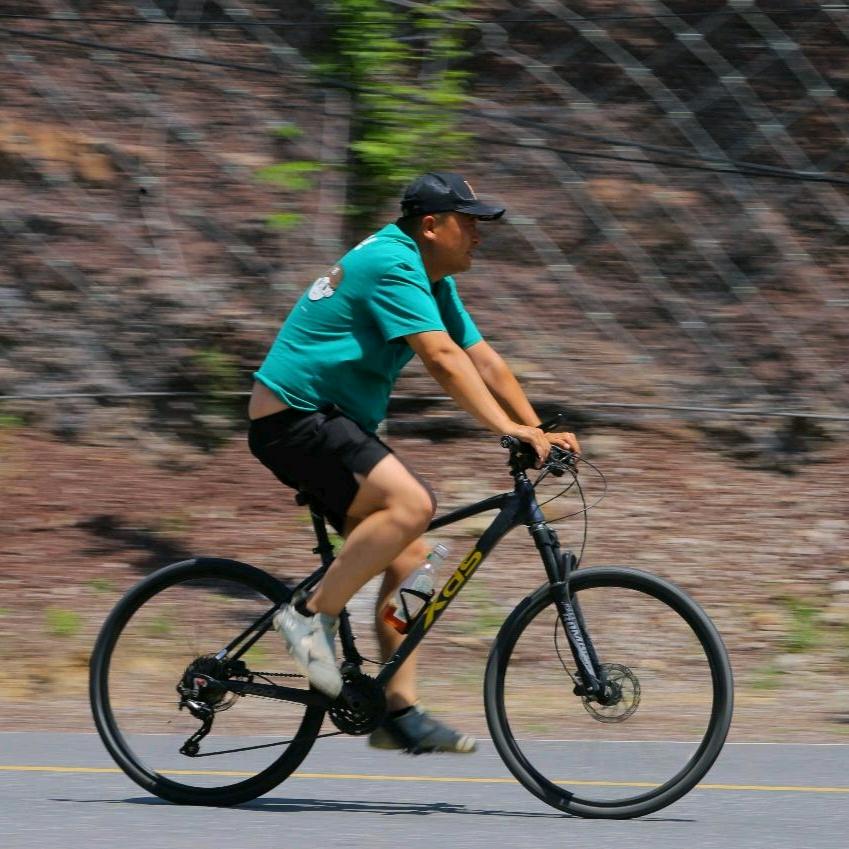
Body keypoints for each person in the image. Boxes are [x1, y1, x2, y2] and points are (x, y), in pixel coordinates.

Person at [248, 171, 580, 753]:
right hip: (294, 416)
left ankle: (395, 711)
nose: (479, 236)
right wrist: (506, 428)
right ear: (431, 225)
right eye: (469, 223)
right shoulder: (393, 264)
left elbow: (484, 360)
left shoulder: (430, 276)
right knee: (413, 503)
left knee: (415, 558)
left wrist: (539, 429)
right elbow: (443, 359)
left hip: (331, 421)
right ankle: (307, 615)